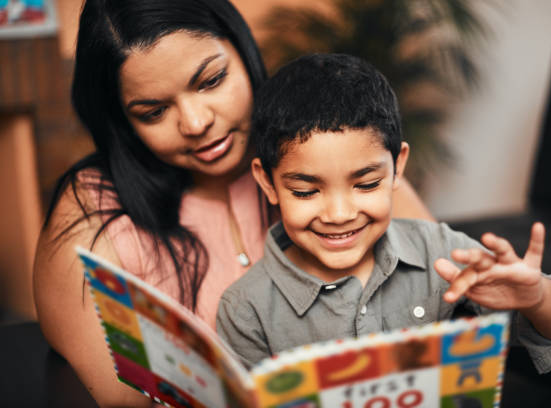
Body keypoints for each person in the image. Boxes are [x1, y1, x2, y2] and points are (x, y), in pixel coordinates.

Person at [32, 1, 433, 406]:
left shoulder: (320, 144)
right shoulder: (92, 214)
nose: (195, 122)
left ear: (242, 50)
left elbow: (439, 295)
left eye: (211, 80)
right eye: (154, 112)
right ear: (123, 121)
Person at [216, 53, 551, 369]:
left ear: (397, 167)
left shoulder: (439, 251)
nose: (338, 213)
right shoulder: (245, 309)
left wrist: (539, 297)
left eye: (366, 184)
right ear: (267, 183)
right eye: (305, 191)